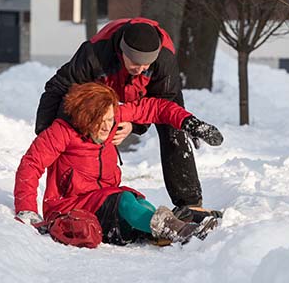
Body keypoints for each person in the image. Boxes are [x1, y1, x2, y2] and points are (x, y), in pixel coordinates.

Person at [35, 17, 214, 218]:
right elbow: (58, 87)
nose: (141, 70)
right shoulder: (94, 53)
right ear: (122, 53)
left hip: (151, 94)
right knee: (70, 116)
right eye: (136, 64)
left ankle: (190, 203)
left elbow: (162, 103)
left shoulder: (164, 59)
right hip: (103, 86)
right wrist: (46, 135)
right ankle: (73, 192)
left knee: (173, 127)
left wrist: (134, 125)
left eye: (146, 66)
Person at [15, 83, 223, 245]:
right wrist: (27, 210)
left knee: (136, 201)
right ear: (86, 118)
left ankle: (170, 225)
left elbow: (156, 108)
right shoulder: (62, 132)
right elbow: (30, 165)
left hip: (106, 201)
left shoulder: (112, 118)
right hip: (71, 207)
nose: (108, 127)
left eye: (111, 119)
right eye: (101, 121)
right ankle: (180, 231)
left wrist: (190, 123)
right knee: (125, 200)